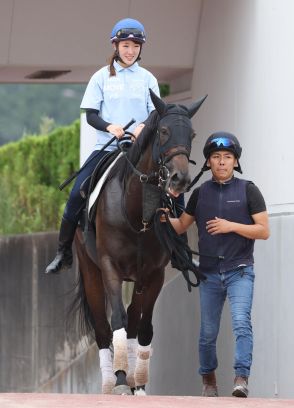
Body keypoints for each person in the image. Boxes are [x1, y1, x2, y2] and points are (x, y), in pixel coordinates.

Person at [45, 17, 160, 274]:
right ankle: (63, 251)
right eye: (126, 46)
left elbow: (156, 112)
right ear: (115, 45)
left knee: (173, 185)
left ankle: (180, 250)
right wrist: (110, 127)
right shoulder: (100, 77)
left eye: (135, 46)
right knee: (76, 194)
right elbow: (91, 115)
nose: (131, 51)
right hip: (109, 148)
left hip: (141, 149)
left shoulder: (148, 79)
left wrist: (145, 126)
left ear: (141, 48)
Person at [163, 131, 270, 398]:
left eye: (227, 157)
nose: (222, 162)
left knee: (241, 323)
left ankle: (241, 378)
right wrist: (164, 216)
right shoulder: (200, 194)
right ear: (208, 162)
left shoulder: (248, 190)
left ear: (235, 161)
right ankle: (209, 381)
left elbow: (263, 230)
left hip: (240, 271)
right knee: (208, 333)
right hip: (209, 274)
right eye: (216, 157)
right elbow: (181, 227)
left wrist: (229, 226)